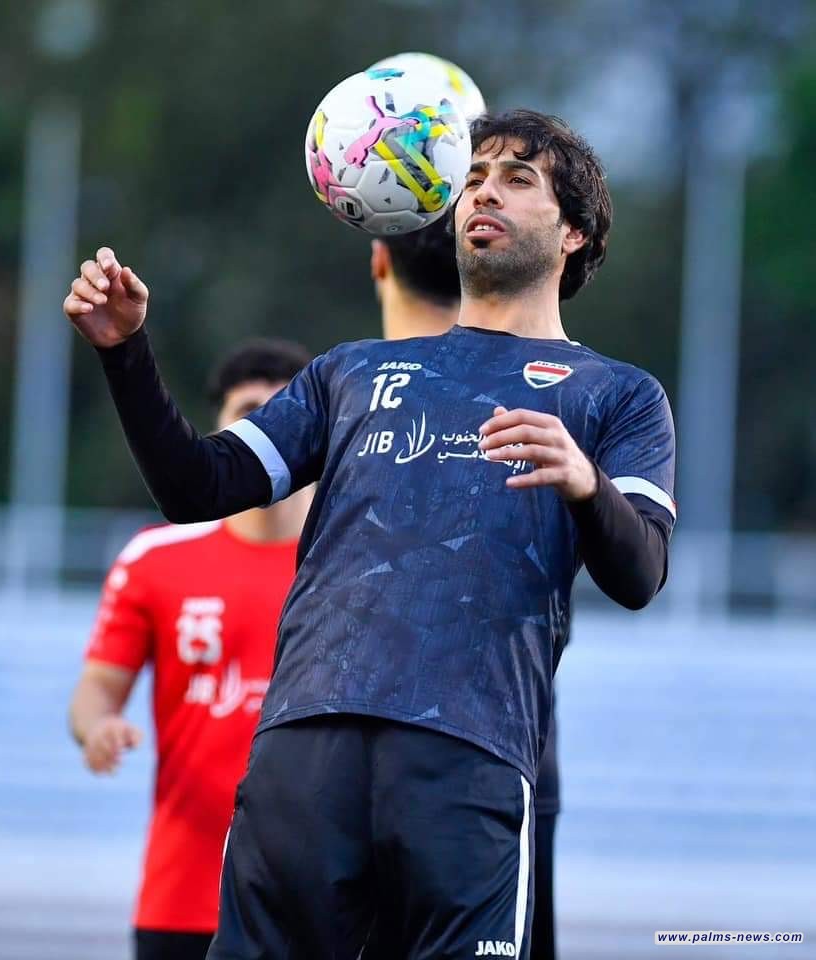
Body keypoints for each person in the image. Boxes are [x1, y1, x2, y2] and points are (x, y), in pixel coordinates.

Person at [63, 109, 676, 960]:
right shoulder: (352, 371)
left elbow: (640, 573)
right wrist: (126, 354)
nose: (483, 193)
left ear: (574, 232)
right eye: (471, 179)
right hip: (302, 751)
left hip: (469, 758)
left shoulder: (617, 395)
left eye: (516, 179)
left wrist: (585, 483)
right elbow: (195, 485)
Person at [68, 339, 313, 960]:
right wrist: (98, 727)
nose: (268, 430)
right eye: (250, 412)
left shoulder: (356, 560)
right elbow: (97, 688)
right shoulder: (156, 558)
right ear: (220, 429)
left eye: (283, 413)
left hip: (316, 901)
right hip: (183, 895)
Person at [372, 219, 562, 960]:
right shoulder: (555, 397)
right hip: (500, 757)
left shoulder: (348, 397)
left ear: (378, 258)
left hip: (339, 759)